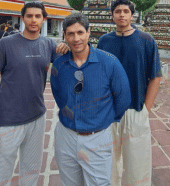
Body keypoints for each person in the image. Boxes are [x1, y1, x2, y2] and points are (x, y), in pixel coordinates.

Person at [0, 1, 70, 186]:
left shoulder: (48, 44)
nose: (33, 20)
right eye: (29, 16)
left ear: (44, 19)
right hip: (7, 120)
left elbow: (70, 64)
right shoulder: (6, 44)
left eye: (38, 16)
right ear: (23, 18)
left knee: (31, 171)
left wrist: (65, 48)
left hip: (37, 117)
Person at [51, 13, 131, 186]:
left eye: (80, 32)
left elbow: (123, 98)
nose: (76, 38)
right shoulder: (60, 64)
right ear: (64, 35)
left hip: (97, 138)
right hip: (66, 135)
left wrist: (102, 119)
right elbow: (58, 94)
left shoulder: (109, 63)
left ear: (89, 32)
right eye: (70, 34)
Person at [97, 0, 162, 186]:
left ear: (132, 14)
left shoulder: (146, 40)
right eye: (117, 11)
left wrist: (146, 110)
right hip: (109, 111)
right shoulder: (104, 41)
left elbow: (155, 77)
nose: (122, 15)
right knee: (107, 162)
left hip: (136, 110)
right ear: (112, 15)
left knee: (137, 164)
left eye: (126, 11)